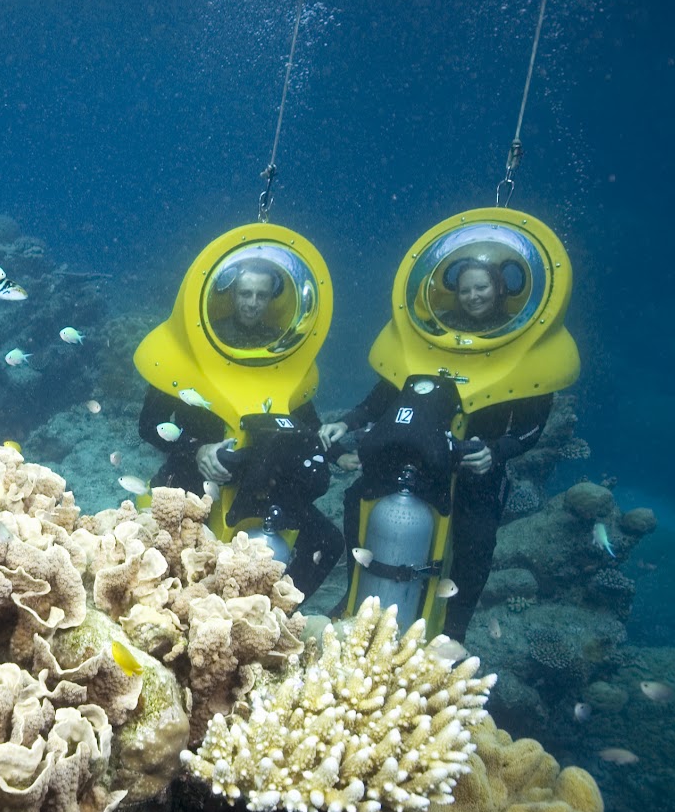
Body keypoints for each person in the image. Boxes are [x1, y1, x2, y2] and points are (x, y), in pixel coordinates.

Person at [321, 256, 551, 639]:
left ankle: (452, 632)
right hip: (419, 459)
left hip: (475, 467)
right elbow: (383, 396)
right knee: (357, 500)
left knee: (476, 542)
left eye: (482, 287)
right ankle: (355, 598)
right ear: (454, 293)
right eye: (465, 289)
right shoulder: (430, 335)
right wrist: (348, 422)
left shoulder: (521, 345)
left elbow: (532, 428)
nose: (474, 296)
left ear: (499, 288)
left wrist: (497, 451)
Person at [138, 260, 342, 598]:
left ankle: (275, 618)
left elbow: (308, 424)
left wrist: (339, 448)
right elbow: (148, 425)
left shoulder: (282, 350)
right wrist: (196, 449)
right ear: (231, 295)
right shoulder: (193, 345)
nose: (252, 302)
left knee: (328, 541)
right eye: (245, 293)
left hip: (262, 479)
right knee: (183, 561)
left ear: (272, 300)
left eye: (262, 295)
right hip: (193, 473)